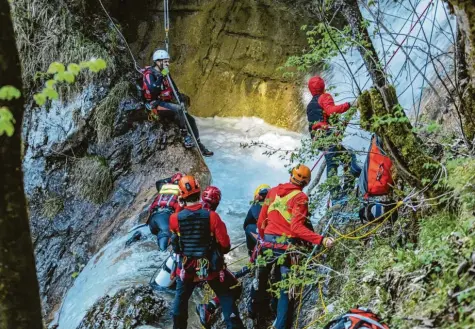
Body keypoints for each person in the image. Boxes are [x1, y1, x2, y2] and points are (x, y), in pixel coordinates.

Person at [249, 164, 335, 329]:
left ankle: (253, 310)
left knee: (260, 278)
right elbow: (297, 228)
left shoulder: (272, 191)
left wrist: (263, 238)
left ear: (291, 176)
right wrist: (321, 240)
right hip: (286, 248)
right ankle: (280, 325)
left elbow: (261, 221)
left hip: (267, 243)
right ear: (306, 182)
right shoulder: (301, 198)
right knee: (285, 291)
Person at [169, 175, 245, 329]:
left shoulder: (174, 218)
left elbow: (176, 244)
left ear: (182, 195)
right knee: (226, 294)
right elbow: (225, 244)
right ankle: (233, 324)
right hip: (210, 267)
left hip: (187, 268)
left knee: (180, 302)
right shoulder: (213, 217)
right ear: (199, 191)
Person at [142, 49, 213, 156]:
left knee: (191, 119)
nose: (167, 64)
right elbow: (153, 90)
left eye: (167, 61)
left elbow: (174, 90)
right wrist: (162, 75)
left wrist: (180, 100)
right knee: (178, 109)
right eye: (165, 61)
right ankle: (185, 135)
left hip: (166, 102)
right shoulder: (149, 74)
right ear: (157, 62)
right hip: (155, 104)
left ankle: (199, 145)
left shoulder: (165, 72)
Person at [306, 76, 361, 201]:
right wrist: (349, 104)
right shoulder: (324, 97)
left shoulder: (309, 105)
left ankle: (343, 190)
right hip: (327, 135)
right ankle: (338, 195)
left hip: (318, 139)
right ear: (323, 86)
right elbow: (331, 111)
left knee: (345, 158)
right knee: (335, 162)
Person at [147, 172, 184, 251]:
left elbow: (158, 182)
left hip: (152, 220)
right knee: (165, 234)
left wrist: (170, 179)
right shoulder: (182, 192)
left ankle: (139, 236)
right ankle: (161, 252)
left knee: (158, 232)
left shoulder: (164, 187)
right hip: (164, 218)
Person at [243, 184, 270, 256]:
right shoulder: (274, 204)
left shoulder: (256, 205)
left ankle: (252, 252)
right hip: (276, 235)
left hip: (266, 235)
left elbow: (245, 224)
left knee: (248, 227)